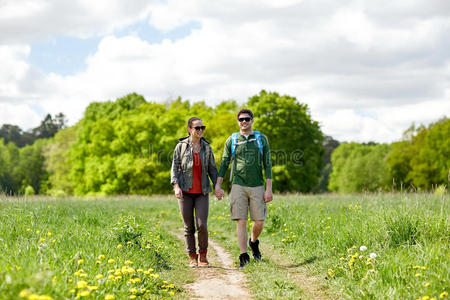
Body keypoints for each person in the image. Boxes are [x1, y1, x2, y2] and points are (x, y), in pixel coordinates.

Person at [215, 109, 273, 268]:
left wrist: (269, 189)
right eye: (241, 119)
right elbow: (225, 163)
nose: (244, 122)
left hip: (258, 185)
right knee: (241, 220)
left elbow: (267, 164)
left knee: (259, 221)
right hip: (238, 185)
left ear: (252, 120)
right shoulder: (232, 140)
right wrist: (218, 185)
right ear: (238, 122)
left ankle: (253, 242)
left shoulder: (261, 139)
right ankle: (243, 255)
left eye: (247, 119)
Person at [171, 117, 218, 268]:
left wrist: (218, 186)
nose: (200, 130)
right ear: (189, 130)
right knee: (188, 226)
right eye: (197, 128)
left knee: (202, 224)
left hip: (202, 192)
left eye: (202, 127)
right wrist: (176, 187)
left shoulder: (207, 148)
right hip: (185, 191)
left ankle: (203, 255)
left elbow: (212, 170)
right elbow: (174, 168)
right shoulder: (181, 147)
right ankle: (192, 256)